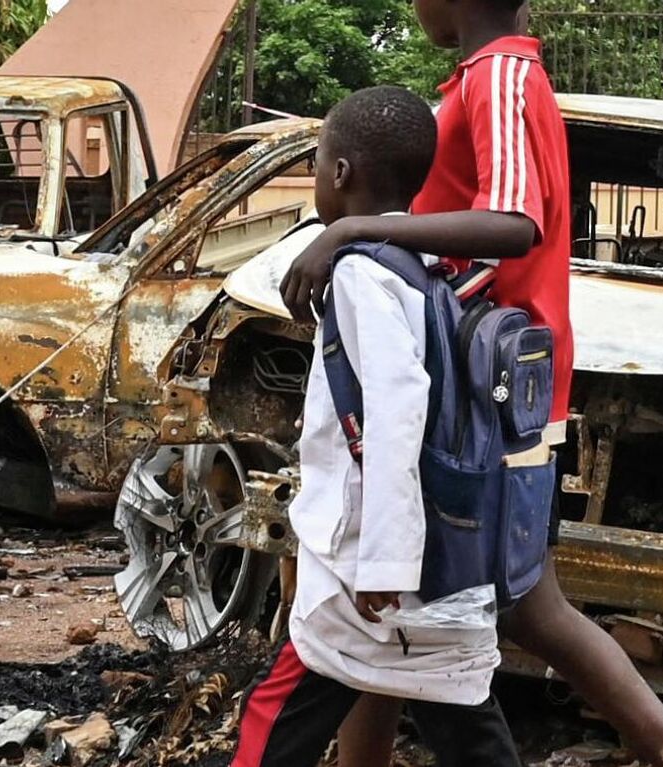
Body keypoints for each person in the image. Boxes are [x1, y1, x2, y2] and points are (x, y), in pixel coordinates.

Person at [277, 1, 663, 766]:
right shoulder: (481, 78)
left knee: (528, 606)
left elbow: (513, 222)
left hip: (486, 398)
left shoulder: (503, 74)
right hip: (469, 389)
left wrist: (350, 229)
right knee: (402, 609)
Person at [232, 85, 521, 767]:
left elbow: (396, 409)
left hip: (368, 569)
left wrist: (386, 560)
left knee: (273, 720)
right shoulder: (424, 270)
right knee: (470, 732)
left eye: (317, 160)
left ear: (339, 174)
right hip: (442, 566)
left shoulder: (363, 273)